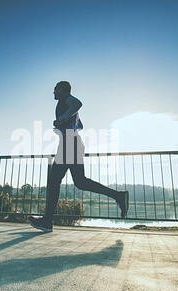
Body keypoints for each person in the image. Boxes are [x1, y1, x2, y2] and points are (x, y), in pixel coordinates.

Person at [29, 81, 129, 232]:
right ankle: (118, 196)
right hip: (72, 143)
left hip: (70, 144)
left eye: (55, 89)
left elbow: (78, 103)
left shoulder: (67, 100)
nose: (53, 92)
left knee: (54, 181)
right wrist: (65, 123)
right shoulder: (66, 105)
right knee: (80, 182)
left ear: (62, 90)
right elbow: (80, 125)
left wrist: (62, 119)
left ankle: (47, 221)